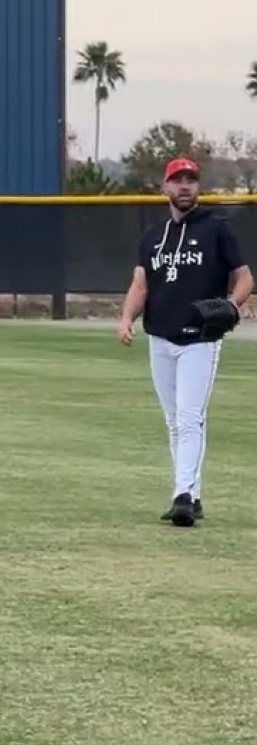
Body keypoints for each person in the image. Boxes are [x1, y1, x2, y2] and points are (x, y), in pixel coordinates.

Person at [118, 155, 253, 527]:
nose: (185, 186)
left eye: (191, 179)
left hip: (201, 339)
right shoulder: (152, 238)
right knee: (175, 420)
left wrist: (231, 303)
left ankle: (181, 495)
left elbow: (244, 277)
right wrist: (127, 317)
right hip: (159, 337)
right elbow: (141, 284)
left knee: (191, 416)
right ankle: (192, 495)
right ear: (165, 187)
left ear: (199, 186)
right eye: (178, 180)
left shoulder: (217, 229)